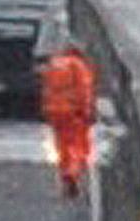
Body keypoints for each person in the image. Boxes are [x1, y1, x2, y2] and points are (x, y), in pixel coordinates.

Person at [39, 42, 99, 197]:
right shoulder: (79, 66)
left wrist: (47, 109)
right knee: (78, 146)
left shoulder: (54, 64)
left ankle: (65, 171)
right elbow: (84, 90)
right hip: (74, 112)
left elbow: (46, 89)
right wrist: (88, 111)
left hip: (55, 112)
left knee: (62, 145)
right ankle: (73, 173)